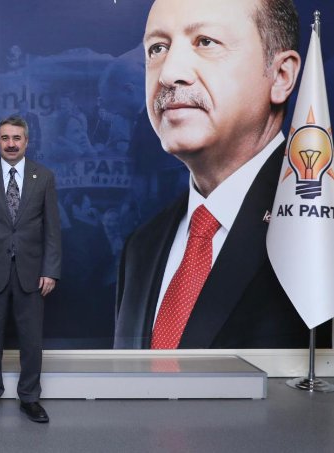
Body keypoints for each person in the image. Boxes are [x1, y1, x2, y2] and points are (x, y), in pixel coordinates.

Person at [114, 0, 328, 349]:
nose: (168, 73)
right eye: (157, 48)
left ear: (281, 76)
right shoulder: (141, 249)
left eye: (205, 42)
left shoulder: (321, 228)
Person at [0, 115, 61, 423]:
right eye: (5, 138)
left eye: (16, 138)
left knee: (31, 341)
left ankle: (30, 398)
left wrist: (50, 270)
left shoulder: (43, 177)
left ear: (26, 142)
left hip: (32, 274)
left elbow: (52, 230)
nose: (11, 144)